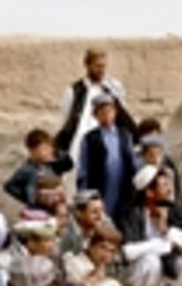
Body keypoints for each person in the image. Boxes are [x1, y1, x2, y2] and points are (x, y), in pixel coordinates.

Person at [56, 47, 135, 193]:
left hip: (109, 139)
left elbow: (123, 115)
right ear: (87, 65)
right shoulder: (74, 91)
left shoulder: (113, 88)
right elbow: (66, 122)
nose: (101, 70)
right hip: (80, 144)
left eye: (103, 66)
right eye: (97, 66)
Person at [76, 93, 138, 221]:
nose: (107, 116)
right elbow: (83, 168)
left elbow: (132, 160)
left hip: (122, 184)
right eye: (102, 112)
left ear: (115, 112)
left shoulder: (125, 135)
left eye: (109, 111)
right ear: (96, 115)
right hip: (101, 185)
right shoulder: (90, 138)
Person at [4, 128, 76, 208]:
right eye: (41, 150)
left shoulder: (53, 165)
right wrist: (29, 198)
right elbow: (9, 186)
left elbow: (69, 165)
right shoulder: (27, 169)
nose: (45, 152)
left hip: (56, 207)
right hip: (38, 210)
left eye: (47, 148)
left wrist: (57, 153)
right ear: (32, 151)